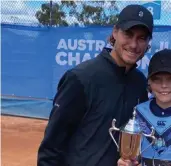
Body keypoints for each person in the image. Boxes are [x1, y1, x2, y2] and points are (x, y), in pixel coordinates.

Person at [37, 4, 154, 166]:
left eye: (142, 38)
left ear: (148, 42)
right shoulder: (80, 78)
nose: (134, 45)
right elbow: (51, 149)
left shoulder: (140, 82)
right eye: (128, 34)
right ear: (115, 32)